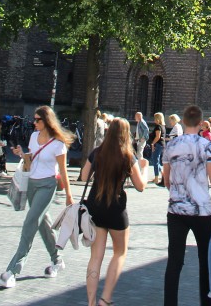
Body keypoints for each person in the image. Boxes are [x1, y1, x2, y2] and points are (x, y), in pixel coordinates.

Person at [0, 105, 74, 288]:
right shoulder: (33, 137)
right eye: (34, 119)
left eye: (37, 119)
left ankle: (12, 271)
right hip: (32, 183)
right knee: (42, 223)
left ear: (47, 121)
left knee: (30, 222)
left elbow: (63, 171)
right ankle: (57, 260)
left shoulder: (58, 144)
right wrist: (22, 154)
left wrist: (69, 196)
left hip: (48, 185)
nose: (34, 122)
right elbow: (31, 160)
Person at [162, 104, 211, 306]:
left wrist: (178, 193)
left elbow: (167, 180)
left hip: (176, 211)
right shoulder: (206, 146)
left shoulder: (171, 146)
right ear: (201, 124)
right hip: (202, 212)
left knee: (174, 262)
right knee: (206, 262)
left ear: (183, 121)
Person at [80, 117, 146, 306]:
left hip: (95, 207)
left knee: (95, 257)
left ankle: (91, 302)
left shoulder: (97, 152)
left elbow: (84, 176)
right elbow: (140, 186)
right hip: (116, 210)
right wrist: (145, 168)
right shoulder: (127, 156)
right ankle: (105, 299)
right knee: (120, 253)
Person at [149, 112, 165, 185]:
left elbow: (157, 136)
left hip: (157, 144)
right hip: (161, 144)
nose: (154, 120)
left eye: (155, 118)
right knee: (157, 160)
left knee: (155, 160)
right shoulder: (163, 126)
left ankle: (156, 177)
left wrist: (153, 143)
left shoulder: (158, 127)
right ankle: (161, 174)